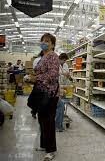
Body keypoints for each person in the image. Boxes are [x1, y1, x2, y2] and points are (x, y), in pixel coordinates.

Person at [28, 33, 59, 161]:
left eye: (47, 41)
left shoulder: (53, 56)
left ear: (52, 44)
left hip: (50, 94)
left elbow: (52, 75)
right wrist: (30, 77)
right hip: (41, 93)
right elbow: (39, 71)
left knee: (49, 122)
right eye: (42, 41)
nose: (44, 43)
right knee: (42, 120)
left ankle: (51, 150)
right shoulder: (43, 56)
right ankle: (44, 145)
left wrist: (36, 78)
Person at [55, 53, 70, 132]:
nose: (64, 62)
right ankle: (58, 126)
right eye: (64, 60)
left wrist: (67, 75)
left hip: (58, 86)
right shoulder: (55, 65)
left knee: (60, 105)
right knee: (60, 106)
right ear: (61, 58)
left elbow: (66, 74)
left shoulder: (63, 65)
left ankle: (57, 123)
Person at [29, 51, 44, 119]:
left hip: (37, 81)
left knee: (36, 97)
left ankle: (34, 111)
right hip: (42, 81)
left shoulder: (36, 59)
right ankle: (37, 112)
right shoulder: (41, 60)